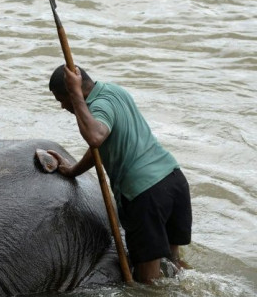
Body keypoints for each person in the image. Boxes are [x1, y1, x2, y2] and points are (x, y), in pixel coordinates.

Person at [46, 64, 192, 284]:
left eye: (61, 99)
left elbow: (95, 137)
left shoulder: (99, 106)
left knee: (148, 284)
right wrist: (74, 170)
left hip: (145, 194)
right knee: (173, 265)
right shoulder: (114, 91)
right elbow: (104, 146)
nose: (62, 106)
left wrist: (76, 97)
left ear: (72, 91)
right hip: (173, 180)